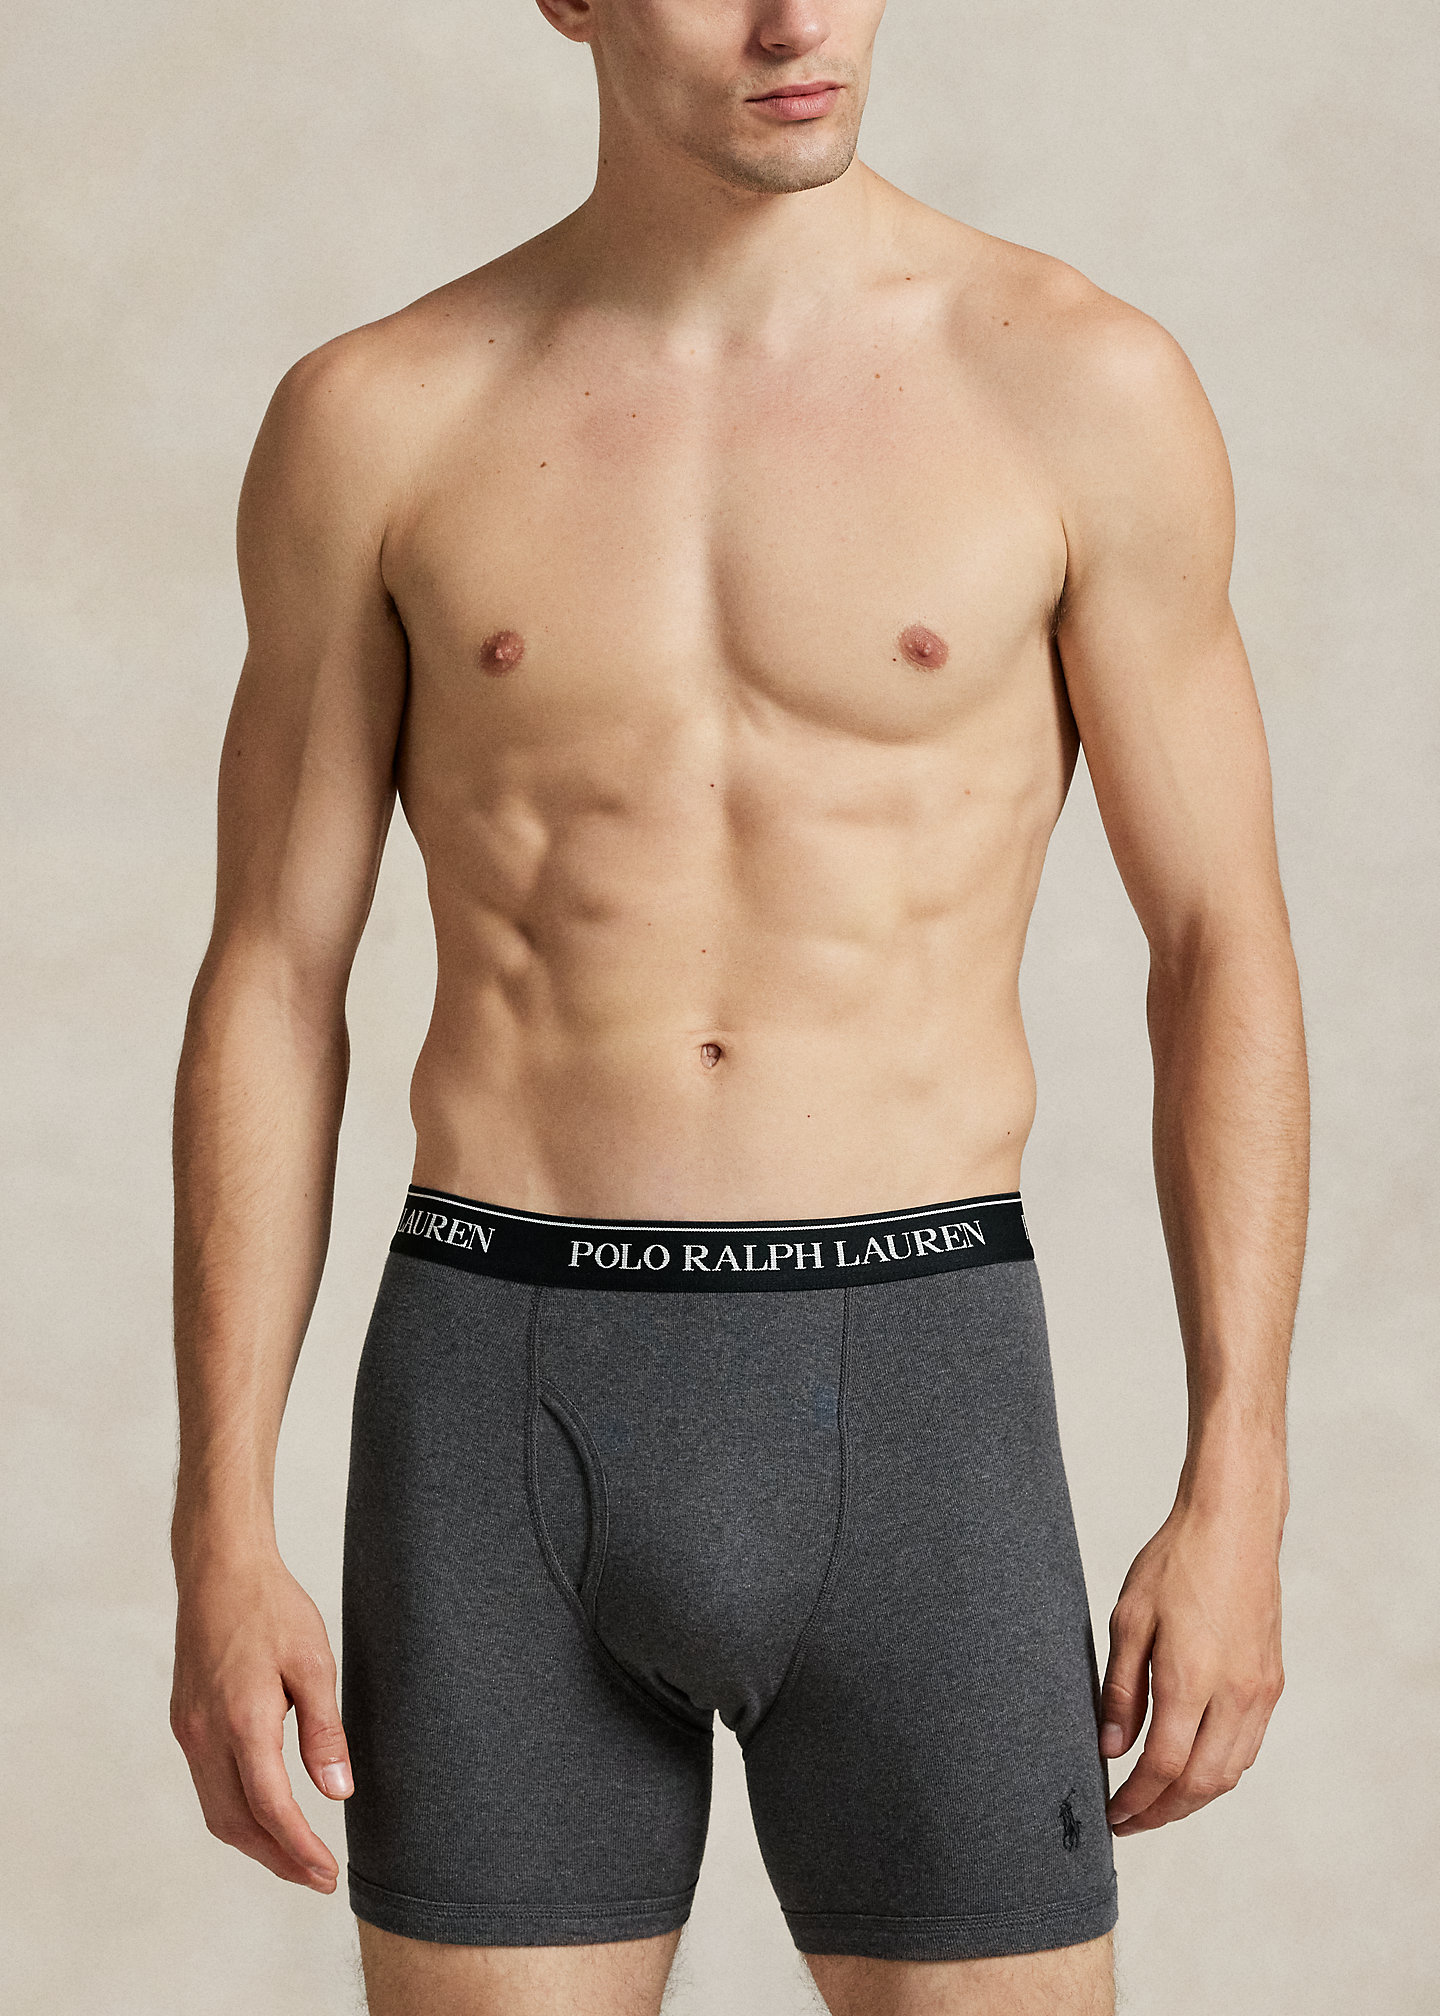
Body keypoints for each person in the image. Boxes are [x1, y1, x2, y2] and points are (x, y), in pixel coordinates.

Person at [167, 2, 1307, 2011]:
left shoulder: (1078, 387)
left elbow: (1221, 943)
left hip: (923, 1387)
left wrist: (1243, 1478)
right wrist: (219, 1520)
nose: (797, 20)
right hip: (499, 1391)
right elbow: (274, 970)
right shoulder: (382, 417)